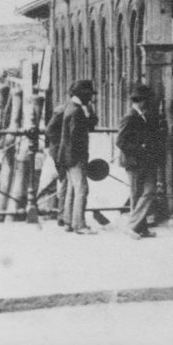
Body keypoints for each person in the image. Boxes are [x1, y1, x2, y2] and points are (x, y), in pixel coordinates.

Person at [116, 83, 165, 240]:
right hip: (134, 161)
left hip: (144, 161)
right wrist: (140, 148)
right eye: (147, 100)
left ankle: (137, 226)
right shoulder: (130, 116)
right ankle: (135, 227)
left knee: (148, 191)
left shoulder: (141, 115)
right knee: (137, 194)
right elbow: (120, 142)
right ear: (142, 100)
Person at [56, 79, 99, 234]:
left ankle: (68, 221)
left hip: (66, 156)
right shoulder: (77, 111)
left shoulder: (71, 107)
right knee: (82, 189)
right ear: (84, 95)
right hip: (75, 156)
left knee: (71, 190)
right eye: (89, 96)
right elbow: (76, 136)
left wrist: (89, 110)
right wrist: (81, 159)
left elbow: (91, 123)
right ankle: (79, 225)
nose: (91, 99)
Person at [44, 99, 69, 227]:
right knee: (66, 181)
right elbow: (49, 130)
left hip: (67, 151)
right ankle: (63, 215)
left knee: (66, 181)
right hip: (60, 151)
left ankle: (64, 214)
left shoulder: (81, 108)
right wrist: (61, 144)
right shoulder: (62, 111)